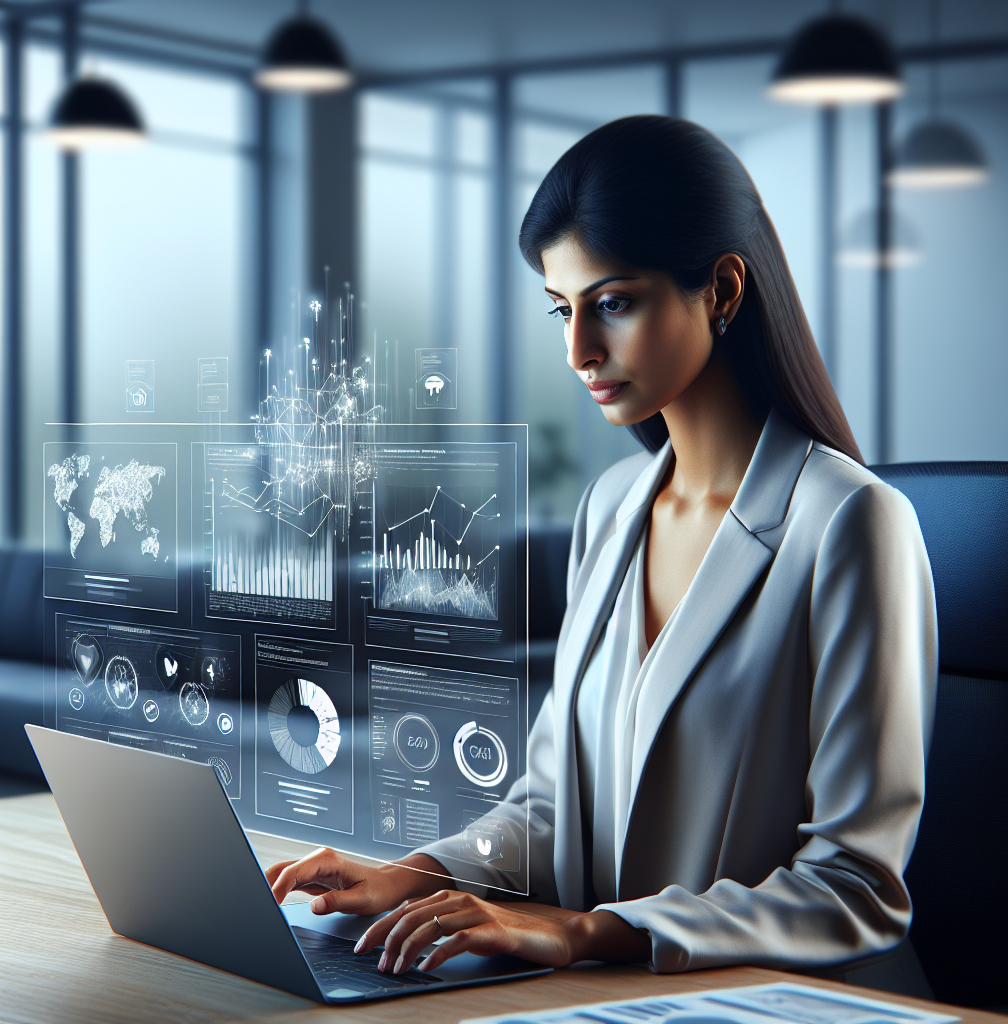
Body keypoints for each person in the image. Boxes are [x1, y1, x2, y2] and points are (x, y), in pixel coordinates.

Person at [267, 116, 937, 983]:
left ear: (723, 291)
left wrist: (586, 933)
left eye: (613, 303)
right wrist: (413, 876)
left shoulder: (850, 523)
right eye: (562, 310)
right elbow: (548, 803)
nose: (580, 350)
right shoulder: (613, 506)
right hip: (595, 997)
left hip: (774, 1001)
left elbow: (855, 886)